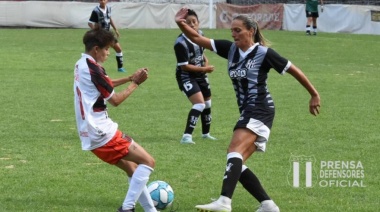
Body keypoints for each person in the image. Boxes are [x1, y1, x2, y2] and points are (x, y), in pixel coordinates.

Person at [175, 7, 321, 212]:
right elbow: (198, 39)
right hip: (249, 111)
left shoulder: (264, 53)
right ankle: (268, 205)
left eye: (238, 30)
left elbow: (294, 70)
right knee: (237, 162)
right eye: (232, 31)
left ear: (250, 31)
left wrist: (313, 94)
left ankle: (225, 201)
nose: (233, 34)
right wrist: (180, 22)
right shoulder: (230, 49)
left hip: (260, 108)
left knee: (233, 152)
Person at [73, 28, 157, 212]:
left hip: (90, 132)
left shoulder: (81, 63)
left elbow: (104, 83)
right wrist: (135, 83)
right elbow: (116, 100)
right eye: (107, 49)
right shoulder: (94, 69)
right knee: (148, 162)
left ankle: (151, 210)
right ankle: (127, 208)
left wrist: (129, 78)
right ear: (96, 49)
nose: (109, 53)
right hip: (101, 131)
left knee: (133, 170)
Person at [174, 9, 217, 144]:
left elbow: (201, 52)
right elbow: (184, 66)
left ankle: (206, 134)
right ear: (183, 25)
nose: (192, 25)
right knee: (199, 104)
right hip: (186, 76)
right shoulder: (180, 43)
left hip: (200, 74)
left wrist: (205, 61)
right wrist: (204, 68)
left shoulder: (200, 35)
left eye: (194, 22)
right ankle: (186, 136)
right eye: (188, 23)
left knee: (208, 104)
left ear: (198, 23)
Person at [88, 0, 126, 72]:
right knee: (98, 52)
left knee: (118, 49)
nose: (102, 1)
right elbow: (90, 23)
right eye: (101, 0)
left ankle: (120, 68)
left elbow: (110, 18)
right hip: (101, 35)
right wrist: (96, 31)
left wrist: (115, 29)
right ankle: (95, 68)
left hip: (108, 34)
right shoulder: (95, 11)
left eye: (104, 0)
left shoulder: (108, 8)